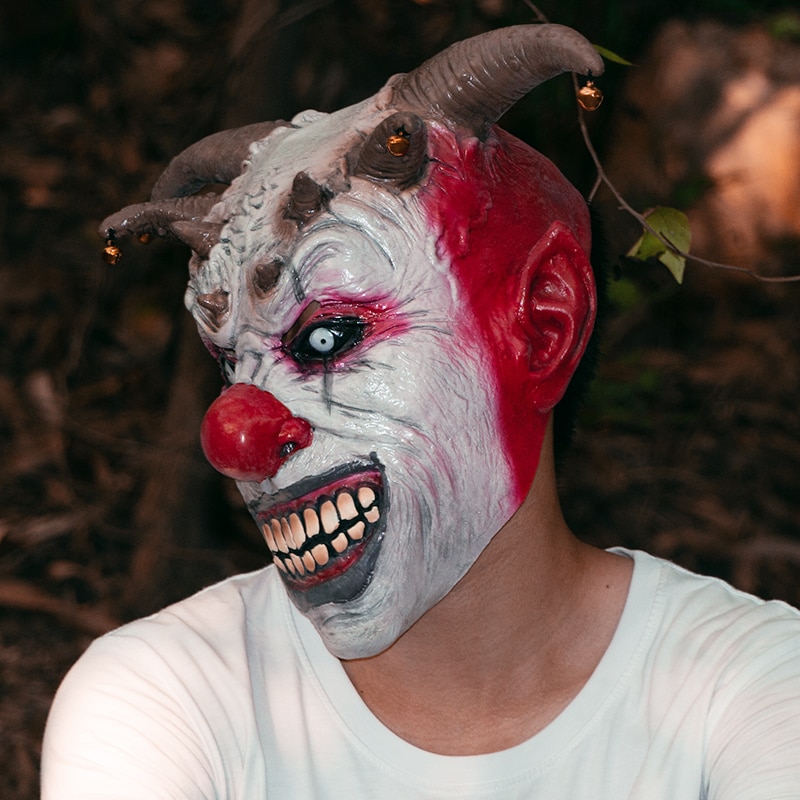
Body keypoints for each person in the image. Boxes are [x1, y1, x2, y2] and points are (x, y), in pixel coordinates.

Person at [42, 24, 800, 798]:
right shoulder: (162, 702)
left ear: (543, 324)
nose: (238, 435)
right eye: (234, 360)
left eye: (328, 336)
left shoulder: (759, 693)